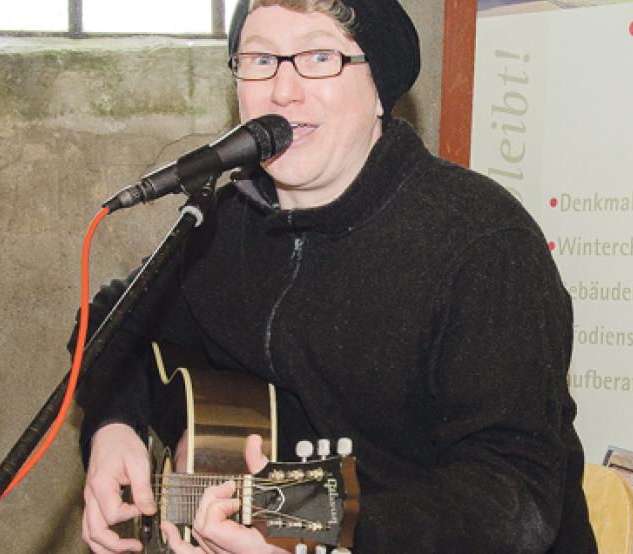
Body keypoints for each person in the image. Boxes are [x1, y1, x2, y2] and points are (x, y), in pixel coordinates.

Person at [75, 1, 597, 552]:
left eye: (319, 57)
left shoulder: (483, 243)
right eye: (259, 59)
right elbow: (108, 326)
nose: (283, 90)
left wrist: (306, 518)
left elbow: (511, 501)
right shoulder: (219, 227)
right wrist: (114, 428)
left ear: (379, 89)